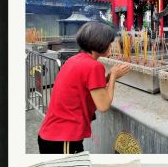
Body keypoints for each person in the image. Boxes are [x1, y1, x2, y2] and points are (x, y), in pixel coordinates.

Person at [37, 21, 131, 154]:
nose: (111, 46)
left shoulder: (74, 60)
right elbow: (103, 105)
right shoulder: (94, 66)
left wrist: (108, 77)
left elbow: (86, 88)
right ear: (97, 43)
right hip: (63, 138)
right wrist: (114, 76)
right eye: (108, 43)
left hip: (52, 134)